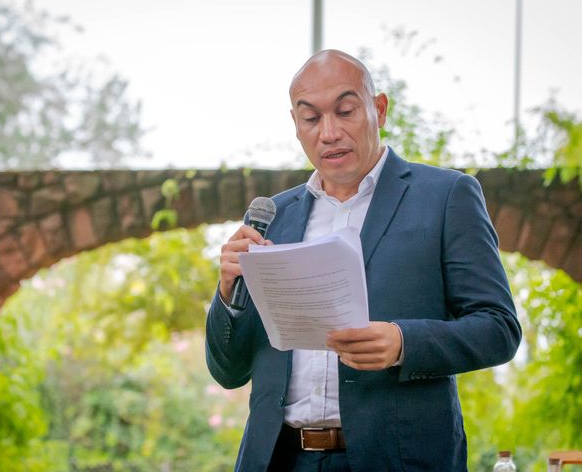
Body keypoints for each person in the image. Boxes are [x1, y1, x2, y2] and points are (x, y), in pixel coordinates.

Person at [205, 49, 522, 471]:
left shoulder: (446, 197)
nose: (329, 132)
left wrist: (403, 343)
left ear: (379, 109)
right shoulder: (273, 218)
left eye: (346, 111)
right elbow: (228, 372)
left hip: (397, 459)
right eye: (311, 119)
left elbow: (498, 328)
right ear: (296, 126)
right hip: (278, 459)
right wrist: (227, 295)